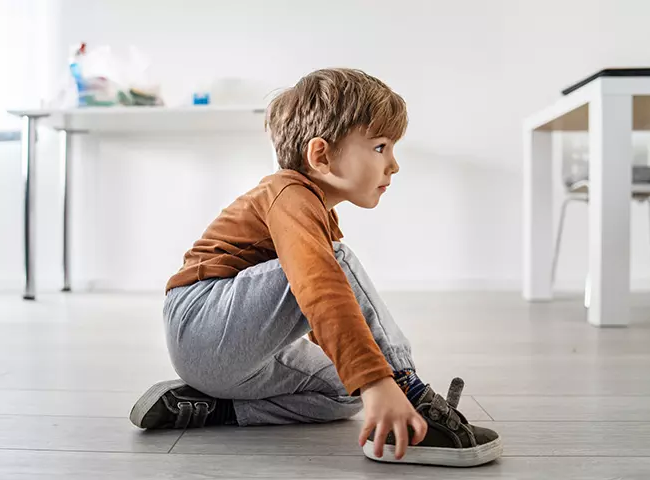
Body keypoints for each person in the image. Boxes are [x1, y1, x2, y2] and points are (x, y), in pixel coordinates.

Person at [129, 68, 502, 467]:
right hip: (202, 321)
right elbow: (319, 286)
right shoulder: (288, 193)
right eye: (380, 147)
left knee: (344, 394)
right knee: (336, 268)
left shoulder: (314, 209)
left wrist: (362, 379)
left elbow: (321, 308)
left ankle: (213, 408)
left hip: (224, 356)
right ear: (320, 156)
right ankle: (408, 389)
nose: (393, 165)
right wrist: (379, 380)